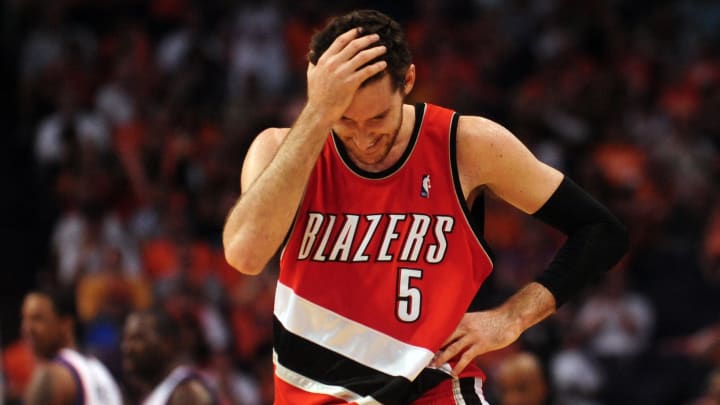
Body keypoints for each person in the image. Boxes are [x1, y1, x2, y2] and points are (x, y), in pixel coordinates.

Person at [222, 9, 628, 404]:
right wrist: (316, 114)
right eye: (345, 120)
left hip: (434, 390)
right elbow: (245, 254)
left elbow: (601, 230)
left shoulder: (466, 145)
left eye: (378, 118)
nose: (363, 139)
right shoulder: (279, 149)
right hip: (311, 394)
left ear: (408, 81)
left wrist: (511, 318)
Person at [21, 288, 123, 405]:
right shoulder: (100, 370)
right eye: (24, 318)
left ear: (66, 324)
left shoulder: (51, 375)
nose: (26, 328)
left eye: (37, 319)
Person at [121, 307, 217, 405]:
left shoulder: (187, 393)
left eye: (138, 338)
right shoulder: (158, 393)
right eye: (126, 339)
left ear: (167, 344)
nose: (127, 347)